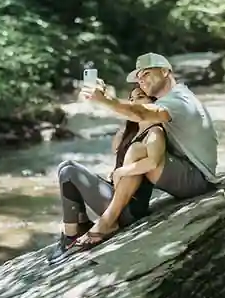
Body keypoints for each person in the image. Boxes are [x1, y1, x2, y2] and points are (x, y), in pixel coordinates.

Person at [75, 52, 219, 247]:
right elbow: (135, 122)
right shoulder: (175, 97)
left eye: (147, 74)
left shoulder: (178, 100)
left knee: (138, 151)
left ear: (165, 71)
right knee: (136, 149)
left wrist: (107, 101)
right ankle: (118, 213)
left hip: (196, 179)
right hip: (189, 174)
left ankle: (109, 221)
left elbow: (142, 112)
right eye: (139, 78)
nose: (142, 81)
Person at [48, 86, 166, 262]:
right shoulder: (127, 134)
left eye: (141, 96)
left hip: (131, 208)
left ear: (153, 103)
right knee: (66, 167)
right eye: (131, 99)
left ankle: (71, 237)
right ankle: (77, 227)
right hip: (118, 197)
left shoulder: (155, 132)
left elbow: (153, 162)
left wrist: (122, 171)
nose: (134, 101)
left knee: (70, 170)